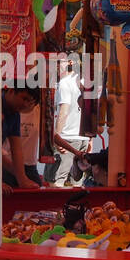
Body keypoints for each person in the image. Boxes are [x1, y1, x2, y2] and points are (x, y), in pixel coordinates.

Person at [45, 56, 91, 187]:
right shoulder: (84, 82)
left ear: (70, 62)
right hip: (82, 139)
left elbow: (63, 112)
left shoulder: (65, 83)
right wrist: (90, 139)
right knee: (77, 183)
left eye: (59, 61)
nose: (57, 65)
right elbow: (89, 113)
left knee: (55, 183)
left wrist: (56, 138)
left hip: (67, 138)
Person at [1, 85, 43, 190]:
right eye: (24, 99)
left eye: (30, 102)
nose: (26, 105)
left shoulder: (15, 114)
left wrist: (23, 179)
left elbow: (17, 149)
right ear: (11, 91)